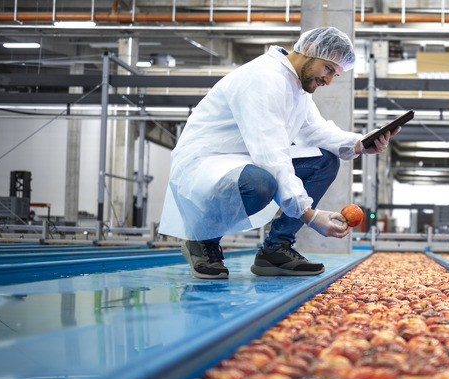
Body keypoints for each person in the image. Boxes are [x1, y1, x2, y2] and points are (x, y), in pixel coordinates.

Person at [158, 26, 398, 279]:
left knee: (325, 161)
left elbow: (313, 130)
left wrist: (360, 143)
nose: (328, 80)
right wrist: (310, 215)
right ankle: (201, 237)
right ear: (309, 50)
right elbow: (271, 154)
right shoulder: (264, 78)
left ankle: (276, 249)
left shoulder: (295, 84)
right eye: (328, 69)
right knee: (260, 183)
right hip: (209, 164)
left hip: (247, 160)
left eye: (335, 75)